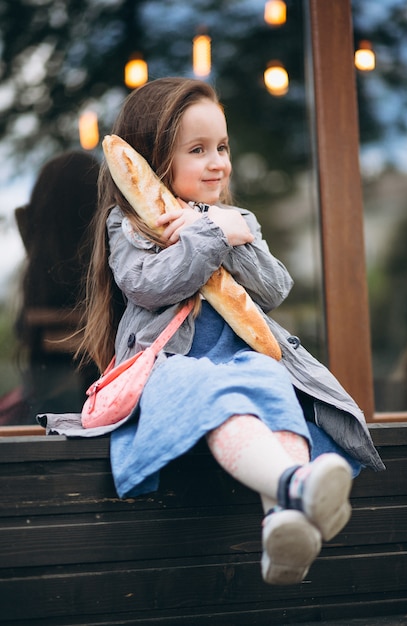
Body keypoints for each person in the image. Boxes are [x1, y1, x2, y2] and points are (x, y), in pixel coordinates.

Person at [73, 77, 384, 586]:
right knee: (216, 394)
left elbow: (274, 288)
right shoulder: (128, 224)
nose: (218, 161)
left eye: (222, 146)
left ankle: (281, 528)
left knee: (269, 381)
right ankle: (295, 486)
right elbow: (150, 286)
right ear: (154, 160)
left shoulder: (234, 218)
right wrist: (211, 237)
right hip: (169, 366)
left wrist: (233, 234)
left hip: (240, 356)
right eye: (198, 150)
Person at [11, 150, 100, 422]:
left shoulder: (41, 276)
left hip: (44, 416)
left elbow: (22, 332)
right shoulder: (112, 284)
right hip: (98, 413)